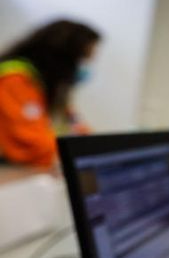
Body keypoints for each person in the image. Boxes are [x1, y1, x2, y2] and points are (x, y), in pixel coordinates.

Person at [0, 20, 101, 167]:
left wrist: (95, 147)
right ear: (61, 56)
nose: (83, 67)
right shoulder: (14, 79)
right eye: (81, 59)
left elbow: (75, 126)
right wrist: (79, 152)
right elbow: (31, 143)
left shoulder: (50, 87)